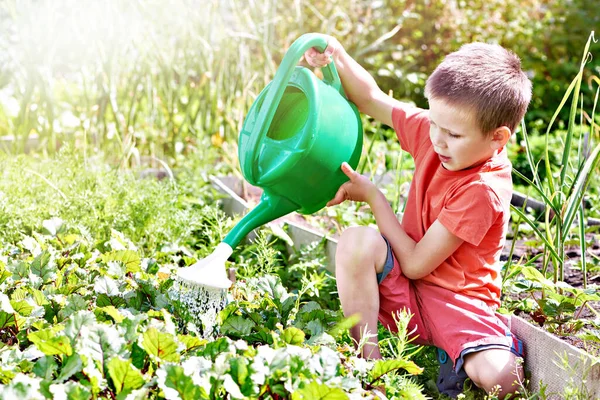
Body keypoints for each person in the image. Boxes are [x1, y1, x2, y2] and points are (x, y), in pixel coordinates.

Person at [304, 35, 531, 399]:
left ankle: (467, 353)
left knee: (502, 380)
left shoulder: (482, 189)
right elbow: (371, 98)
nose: (438, 140)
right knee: (355, 241)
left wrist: (374, 196)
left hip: (458, 303)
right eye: (434, 123)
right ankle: (371, 369)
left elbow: (414, 264)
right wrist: (337, 53)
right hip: (407, 294)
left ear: (497, 137)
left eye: (453, 134)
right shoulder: (435, 131)